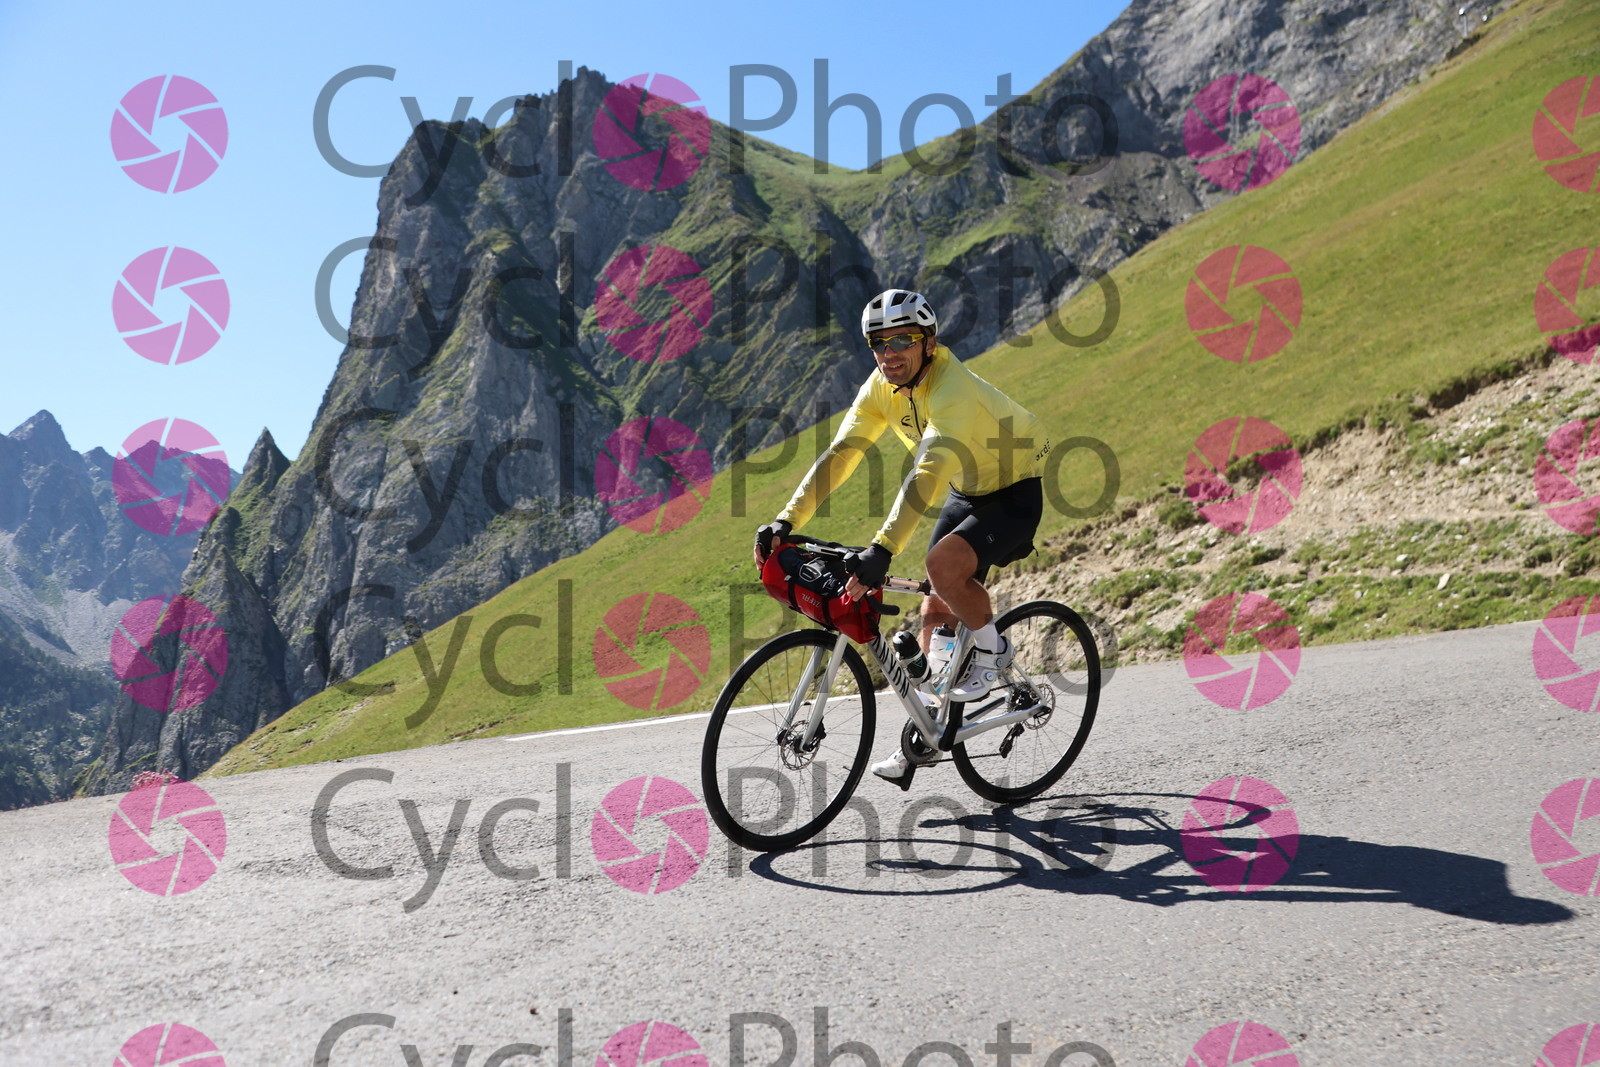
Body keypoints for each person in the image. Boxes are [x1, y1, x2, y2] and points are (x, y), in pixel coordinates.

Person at [752, 289, 1052, 787]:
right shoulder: (880, 388)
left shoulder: (951, 386)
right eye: (878, 343)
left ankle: (994, 650)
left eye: (902, 340)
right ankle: (928, 734)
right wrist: (785, 520)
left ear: (928, 342)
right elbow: (842, 454)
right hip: (968, 487)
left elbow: (929, 470)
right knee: (934, 610)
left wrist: (883, 548)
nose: (889, 353)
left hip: (1015, 486)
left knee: (943, 567)